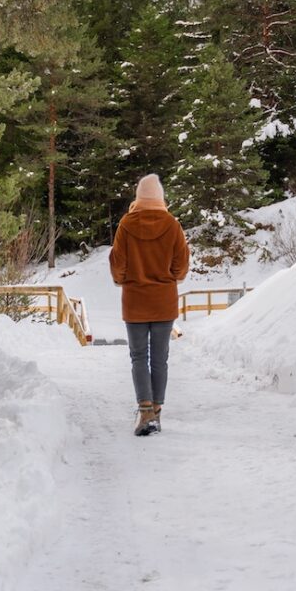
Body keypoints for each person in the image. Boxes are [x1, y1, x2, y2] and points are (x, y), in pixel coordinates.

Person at [109, 173, 189, 436]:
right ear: (160, 197)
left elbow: (118, 264)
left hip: (135, 302)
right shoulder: (172, 225)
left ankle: (145, 411)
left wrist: (124, 280)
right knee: (160, 358)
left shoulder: (126, 225)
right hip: (164, 302)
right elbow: (181, 266)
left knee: (139, 357)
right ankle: (156, 410)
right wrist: (169, 277)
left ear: (139, 197)